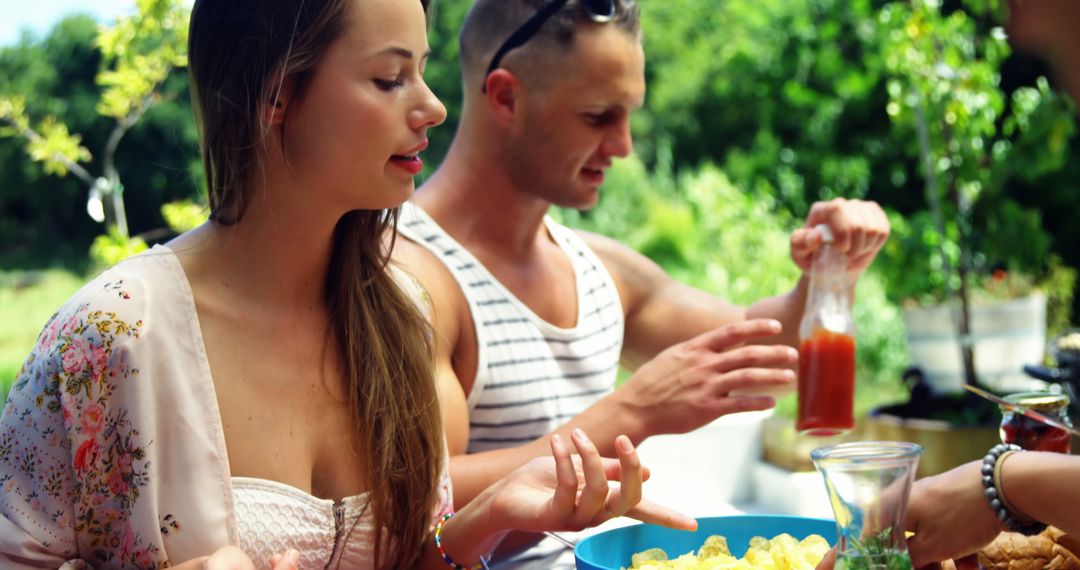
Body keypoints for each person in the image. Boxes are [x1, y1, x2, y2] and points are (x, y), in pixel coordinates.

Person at [0, 0, 695, 568]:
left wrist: (485, 521)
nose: (433, 108)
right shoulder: (113, 338)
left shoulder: (401, 317)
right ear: (277, 96)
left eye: (423, 73)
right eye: (391, 79)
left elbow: (421, 560)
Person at [391, 0, 890, 565]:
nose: (624, 145)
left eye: (629, 115)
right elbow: (415, 506)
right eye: (599, 116)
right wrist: (633, 412)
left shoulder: (600, 270)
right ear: (506, 96)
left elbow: (766, 357)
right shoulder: (406, 277)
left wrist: (829, 276)